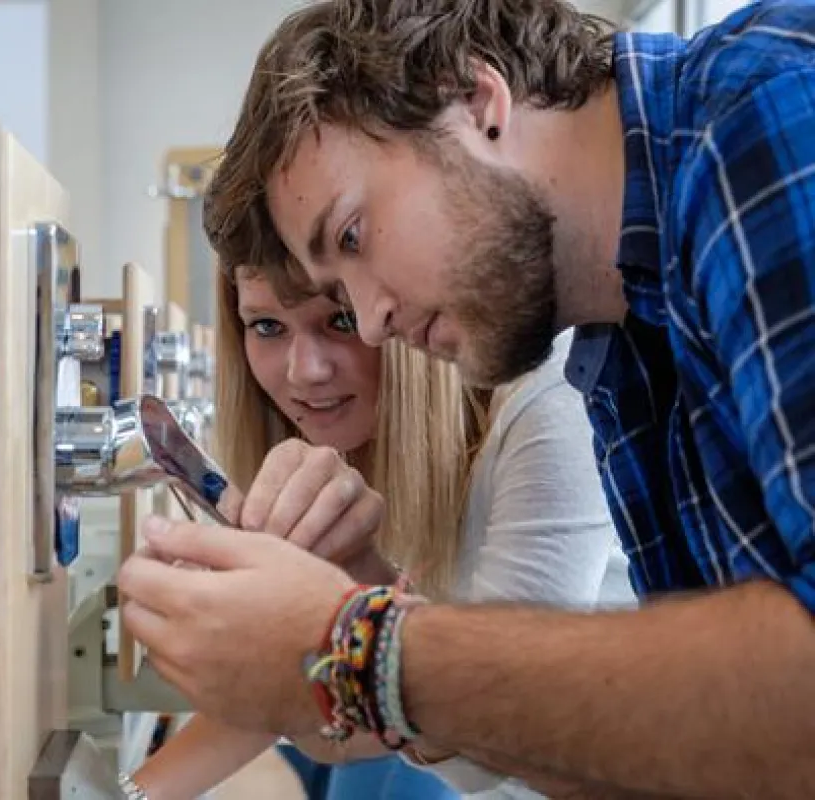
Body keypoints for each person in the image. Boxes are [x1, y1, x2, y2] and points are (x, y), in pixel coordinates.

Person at [116, 1, 815, 798]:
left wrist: (357, 642)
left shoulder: (765, 110)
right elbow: (702, 760)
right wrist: (365, 597)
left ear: (478, 103)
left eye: (352, 237)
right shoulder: (624, 346)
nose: (373, 322)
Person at [125, 263, 632, 799]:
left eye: (340, 319)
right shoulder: (351, 434)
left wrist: (336, 616)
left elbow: (486, 726)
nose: (304, 371)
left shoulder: (551, 396)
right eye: (267, 326)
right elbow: (335, 711)